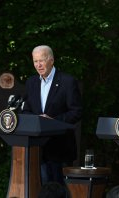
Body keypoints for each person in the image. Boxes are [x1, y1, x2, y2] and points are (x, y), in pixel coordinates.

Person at [22, 45, 82, 185]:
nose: (38, 65)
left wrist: (52, 121)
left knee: (60, 190)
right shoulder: (31, 82)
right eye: (35, 61)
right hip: (37, 149)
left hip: (60, 147)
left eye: (41, 60)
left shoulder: (67, 81)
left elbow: (76, 111)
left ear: (51, 60)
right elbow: (26, 110)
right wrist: (36, 120)